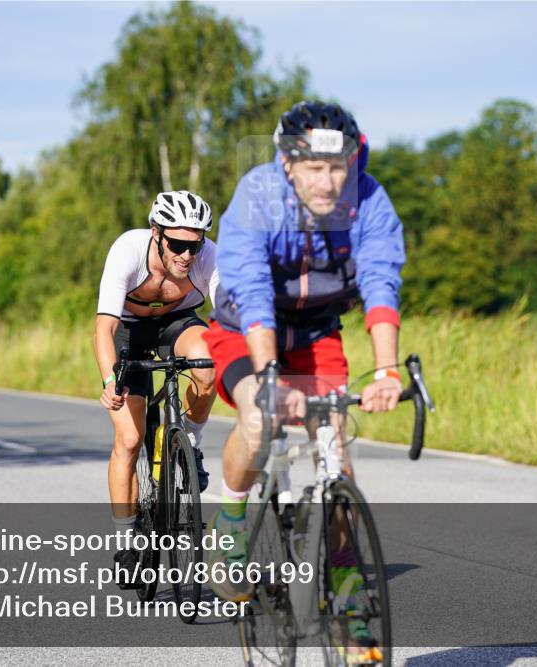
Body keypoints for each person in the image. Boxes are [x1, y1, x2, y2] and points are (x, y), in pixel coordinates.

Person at [204, 101, 405, 656]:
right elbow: (251, 288)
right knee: (259, 416)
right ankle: (230, 526)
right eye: (314, 168)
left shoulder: (369, 200)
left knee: (336, 453)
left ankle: (347, 593)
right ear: (288, 165)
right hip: (246, 328)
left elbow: (381, 280)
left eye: (338, 167)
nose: (328, 181)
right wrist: (271, 376)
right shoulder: (258, 194)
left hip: (317, 334)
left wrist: (387, 370)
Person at [93, 190, 219, 578]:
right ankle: (126, 543)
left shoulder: (209, 256)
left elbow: (229, 316)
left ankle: (189, 441)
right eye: (177, 244)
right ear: (156, 233)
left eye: (194, 245)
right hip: (129, 332)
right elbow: (104, 328)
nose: (186, 255)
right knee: (129, 439)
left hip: (177, 324)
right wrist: (110, 380)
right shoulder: (128, 251)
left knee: (209, 363)